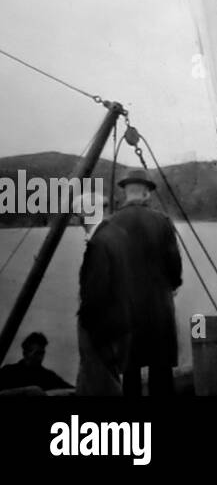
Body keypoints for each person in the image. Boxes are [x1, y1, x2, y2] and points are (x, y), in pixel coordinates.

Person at [103, 168, 183, 397]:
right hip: (159, 308)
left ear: (125, 192)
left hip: (126, 309)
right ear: (147, 193)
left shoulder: (111, 223)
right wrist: (173, 284)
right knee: (162, 370)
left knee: (130, 372)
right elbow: (174, 263)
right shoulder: (162, 221)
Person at [76, 217, 133, 395]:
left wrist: (86, 323)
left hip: (99, 328)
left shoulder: (98, 244)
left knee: (101, 379)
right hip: (118, 324)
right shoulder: (118, 237)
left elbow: (95, 292)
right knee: (101, 377)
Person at [0, 332, 73, 393]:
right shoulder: (8, 372)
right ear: (25, 353)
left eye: (42, 353)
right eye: (37, 353)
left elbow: (71, 390)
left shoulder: (48, 376)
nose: (40, 358)